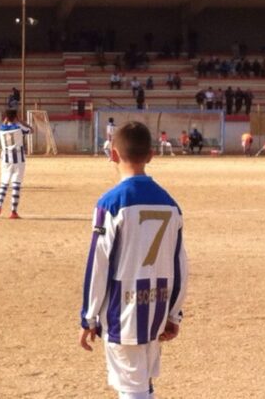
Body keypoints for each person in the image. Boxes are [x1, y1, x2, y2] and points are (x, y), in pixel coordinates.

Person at [79, 121, 188, 399]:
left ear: (112, 154)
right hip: (157, 306)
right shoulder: (170, 203)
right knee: (143, 383)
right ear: (151, 155)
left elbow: (98, 264)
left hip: (123, 310)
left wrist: (88, 317)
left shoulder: (111, 203)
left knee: (132, 389)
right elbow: (180, 265)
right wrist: (173, 313)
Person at [0, 109, 32, 219]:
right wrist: (21, 121)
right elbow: (30, 130)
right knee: (16, 184)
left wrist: (9, 120)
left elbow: (5, 124)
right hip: (18, 158)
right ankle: (13, 211)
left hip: (5, 158)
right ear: (15, 117)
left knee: (4, 183)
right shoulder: (19, 127)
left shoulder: (1, 129)